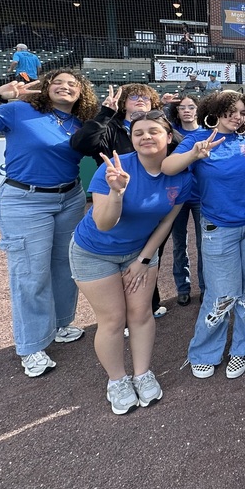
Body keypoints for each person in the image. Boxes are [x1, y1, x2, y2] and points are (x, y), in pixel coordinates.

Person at [0, 69, 99, 377]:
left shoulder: (82, 122)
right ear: (46, 88)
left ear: (81, 92)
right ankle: (31, 346)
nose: (65, 87)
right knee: (30, 273)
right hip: (25, 200)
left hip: (70, 197)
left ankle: (59, 325)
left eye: (72, 84)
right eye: (58, 82)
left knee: (64, 266)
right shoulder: (17, 111)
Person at [68, 114, 192, 414]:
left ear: (168, 137)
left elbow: (166, 223)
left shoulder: (182, 175)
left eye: (153, 131)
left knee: (141, 314)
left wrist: (143, 260)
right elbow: (104, 223)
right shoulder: (114, 168)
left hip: (140, 252)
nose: (145, 137)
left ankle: (142, 373)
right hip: (94, 252)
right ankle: (117, 380)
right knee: (113, 320)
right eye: (138, 133)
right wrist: (117, 192)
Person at [163, 90, 245, 381]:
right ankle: (205, 352)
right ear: (217, 111)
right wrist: (193, 154)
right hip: (218, 227)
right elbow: (167, 167)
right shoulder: (199, 139)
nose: (237, 117)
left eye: (243, 112)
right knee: (221, 292)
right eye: (231, 111)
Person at [70, 83, 168, 318]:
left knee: (148, 255)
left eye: (145, 97)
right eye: (133, 97)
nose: (140, 100)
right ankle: (121, 316)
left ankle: (149, 304)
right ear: (123, 103)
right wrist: (105, 113)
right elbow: (81, 144)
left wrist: (161, 117)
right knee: (115, 262)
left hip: (149, 203)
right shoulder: (111, 126)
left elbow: (177, 148)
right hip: (114, 199)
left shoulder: (159, 128)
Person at [167, 95, 204, 305]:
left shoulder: (206, 131)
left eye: (191, 107)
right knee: (179, 243)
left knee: (203, 245)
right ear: (177, 111)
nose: (187, 110)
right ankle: (183, 287)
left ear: (198, 110)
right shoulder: (170, 132)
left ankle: (205, 288)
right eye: (182, 107)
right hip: (177, 196)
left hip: (200, 195)